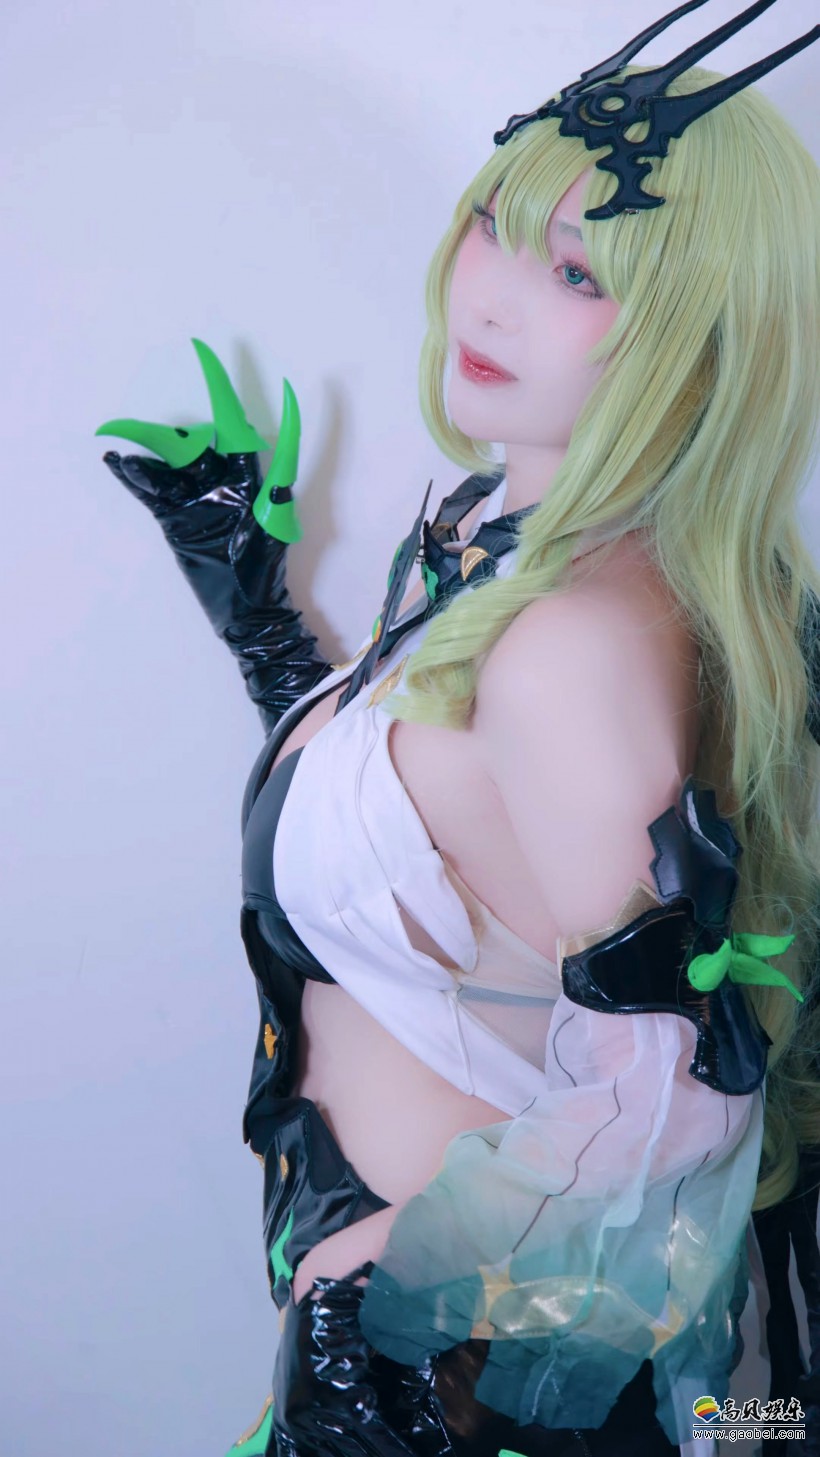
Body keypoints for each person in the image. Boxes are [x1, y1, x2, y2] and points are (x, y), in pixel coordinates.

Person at [98, 2, 820, 1451]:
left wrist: (384, 1288)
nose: (488, 300)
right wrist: (260, 618)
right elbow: (423, 820)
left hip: (461, 1370)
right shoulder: (503, 538)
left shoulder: (566, 646)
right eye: (497, 223)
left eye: (579, 272)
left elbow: (685, 1095)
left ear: (702, 340)